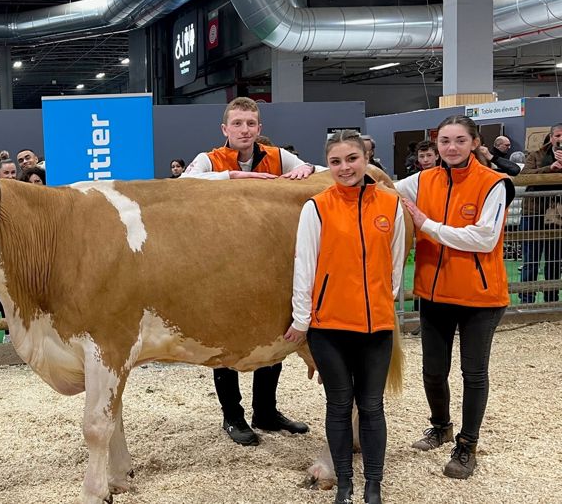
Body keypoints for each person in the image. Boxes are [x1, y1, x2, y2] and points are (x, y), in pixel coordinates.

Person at [182, 96, 312, 446]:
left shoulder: (278, 156)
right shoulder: (208, 159)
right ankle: (232, 416)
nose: (244, 130)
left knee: (272, 333)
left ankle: (265, 411)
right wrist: (234, 175)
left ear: (259, 128)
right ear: (225, 129)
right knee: (225, 337)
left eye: (250, 124)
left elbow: (316, 170)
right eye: (237, 124)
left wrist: (306, 170)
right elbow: (183, 183)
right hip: (222, 263)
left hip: (268, 262)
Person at [287, 130, 405, 504]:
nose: (345, 167)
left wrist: (383, 302)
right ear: (328, 165)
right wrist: (302, 319)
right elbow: (304, 266)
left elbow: (396, 265)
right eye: (335, 161)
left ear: (366, 158)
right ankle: (344, 486)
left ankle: (373, 486)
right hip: (330, 328)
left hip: (376, 327)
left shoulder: (391, 205)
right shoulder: (316, 207)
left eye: (352, 158)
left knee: (371, 407)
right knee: (338, 407)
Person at [397, 114, 514, 480]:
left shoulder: (494, 183)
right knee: (433, 371)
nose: (451, 147)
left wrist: (427, 225)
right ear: (436, 144)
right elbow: (379, 185)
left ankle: (467, 445)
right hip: (434, 293)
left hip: (481, 297)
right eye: (445, 141)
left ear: (475, 142)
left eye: (460, 140)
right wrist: (308, 169)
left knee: (473, 373)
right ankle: (441, 426)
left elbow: (484, 238)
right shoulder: (422, 180)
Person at [518, 124, 562, 303]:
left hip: (558, 216)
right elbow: (524, 176)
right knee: (531, 260)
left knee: (554, 260)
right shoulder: (535, 155)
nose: (561, 139)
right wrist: (549, 168)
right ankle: (526, 299)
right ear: (551, 138)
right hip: (533, 212)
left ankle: (551, 298)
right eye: (558, 135)